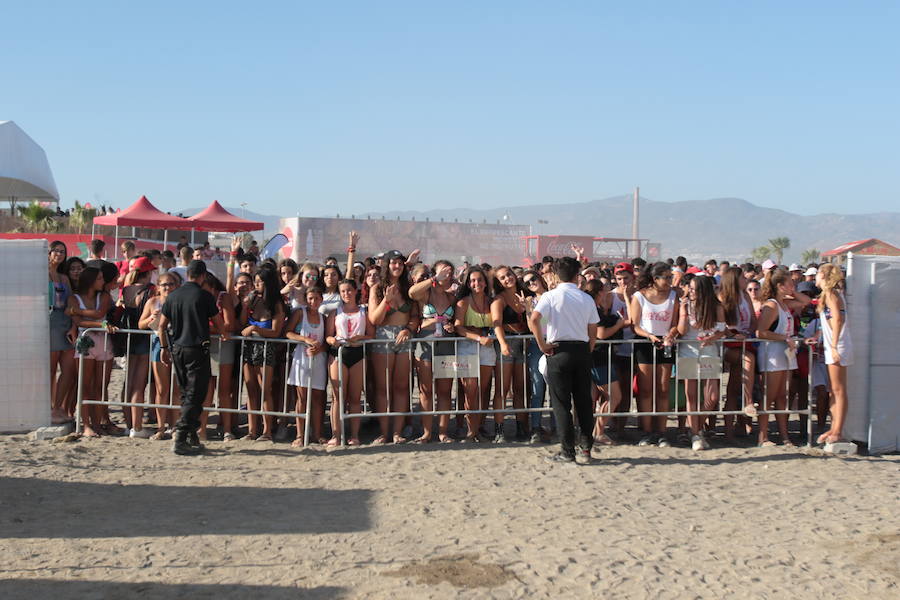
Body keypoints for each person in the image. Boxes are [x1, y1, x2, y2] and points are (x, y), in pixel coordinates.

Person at [529, 257, 598, 465]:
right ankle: (586, 449)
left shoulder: (550, 296)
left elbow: (534, 319)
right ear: (577, 275)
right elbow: (593, 327)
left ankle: (568, 450)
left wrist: (542, 344)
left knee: (561, 404)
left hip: (557, 350)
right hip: (581, 349)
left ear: (556, 276)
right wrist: (589, 347)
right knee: (584, 402)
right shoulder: (586, 298)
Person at [157, 260, 229, 455]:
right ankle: (181, 434)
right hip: (197, 349)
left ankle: (191, 434)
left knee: (185, 393)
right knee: (196, 394)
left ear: (187, 274)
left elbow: (161, 326)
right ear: (203, 276)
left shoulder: (173, 296)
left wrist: (164, 347)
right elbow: (217, 320)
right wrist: (224, 333)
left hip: (177, 348)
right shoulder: (204, 296)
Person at [368, 250, 419, 444]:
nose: (396, 266)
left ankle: (397, 432)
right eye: (393, 263)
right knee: (383, 388)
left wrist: (408, 329)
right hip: (383, 335)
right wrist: (386, 301)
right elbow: (374, 319)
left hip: (404, 337)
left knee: (401, 387)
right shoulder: (377, 288)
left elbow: (415, 316)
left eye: (399, 263)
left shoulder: (408, 287)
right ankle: (383, 432)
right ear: (386, 265)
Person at [755, 268, 811, 447]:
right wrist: (784, 338)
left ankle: (784, 436)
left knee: (782, 397)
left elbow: (806, 301)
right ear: (779, 286)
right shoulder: (771, 306)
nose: (793, 285)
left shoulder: (784, 303)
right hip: (772, 353)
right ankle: (763, 436)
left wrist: (791, 291)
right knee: (769, 396)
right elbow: (760, 331)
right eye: (789, 283)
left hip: (785, 353)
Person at [630, 262, 680, 447]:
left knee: (663, 388)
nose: (669, 281)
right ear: (654, 278)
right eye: (666, 277)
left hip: (665, 343)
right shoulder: (639, 296)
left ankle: (662, 431)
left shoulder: (674, 296)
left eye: (670, 277)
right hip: (645, 342)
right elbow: (634, 325)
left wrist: (671, 334)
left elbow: (675, 322)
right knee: (645, 390)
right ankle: (646, 430)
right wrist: (650, 336)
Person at [409, 260, 457, 443]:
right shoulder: (425, 295)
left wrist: (452, 326)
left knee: (445, 391)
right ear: (435, 275)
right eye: (444, 272)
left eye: (451, 272)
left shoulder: (451, 297)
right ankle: (427, 432)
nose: (448, 275)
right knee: (426, 390)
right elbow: (411, 292)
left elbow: (458, 320)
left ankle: (443, 432)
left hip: (446, 346)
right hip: (425, 346)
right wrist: (434, 279)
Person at [676, 275, 727, 451]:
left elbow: (722, 331)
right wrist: (683, 312)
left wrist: (711, 337)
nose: (690, 292)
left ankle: (696, 428)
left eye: (693, 289)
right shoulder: (686, 305)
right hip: (687, 350)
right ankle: (696, 433)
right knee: (691, 396)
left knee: (712, 397)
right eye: (689, 288)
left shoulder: (717, 307)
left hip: (709, 350)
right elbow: (681, 330)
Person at [325, 279, 373, 446]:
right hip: (338, 353)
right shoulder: (335, 312)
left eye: (349, 290)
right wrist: (332, 340)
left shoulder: (363, 311)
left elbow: (371, 334)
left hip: (358, 352)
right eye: (343, 291)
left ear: (355, 291)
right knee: (338, 397)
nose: (346, 294)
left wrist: (360, 337)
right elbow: (328, 335)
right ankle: (336, 435)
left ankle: (354, 435)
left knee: (354, 397)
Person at [454, 265, 496, 443]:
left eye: (479, 280)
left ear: (485, 282)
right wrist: (478, 337)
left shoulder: (492, 301)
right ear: (468, 283)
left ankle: (479, 426)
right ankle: (471, 431)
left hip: (488, 347)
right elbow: (458, 327)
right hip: (468, 346)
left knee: (484, 389)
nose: (476, 283)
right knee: (470, 390)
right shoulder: (463, 302)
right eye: (472, 280)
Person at [139, 271, 181, 439]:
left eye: (171, 284)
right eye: (164, 284)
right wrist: (151, 318)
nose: (167, 287)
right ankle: (161, 427)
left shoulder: (179, 301)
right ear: (158, 287)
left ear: (176, 286)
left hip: (177, 343)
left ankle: (174, 425)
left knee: (176, 389)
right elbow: (140, 324)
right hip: (158, 343)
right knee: (161, 388)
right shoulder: (152, 302)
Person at [286, 285, 329, 446]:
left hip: (318, 359)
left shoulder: (323, 318)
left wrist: (319, 349)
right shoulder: (299, 313)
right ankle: (300, 434)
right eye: (310, 298)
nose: (314, 301)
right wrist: (305, 339)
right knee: (302, 398)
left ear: (321, 299)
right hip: (301, 358)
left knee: (318, 398)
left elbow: (326, 342)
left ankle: (317, 433)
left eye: (317, 298)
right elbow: (288, 332)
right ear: (306, 299)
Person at [490, 265, 529, 442]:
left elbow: (539, 320)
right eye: (502, 278)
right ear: (498, 282)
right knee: (502, 389)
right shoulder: (499, 299)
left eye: (509, 275)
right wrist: (503, 343)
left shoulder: (524, 294)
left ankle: (521, 428)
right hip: (507, 344)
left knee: (520, 389)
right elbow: (496, 323)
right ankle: (499, 430)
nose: (507, 279)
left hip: (524, 343)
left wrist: (527, 307)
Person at [815, 264, 853, 444]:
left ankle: (838, 430)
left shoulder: (831, 293)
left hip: (838, 346)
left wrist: (835, 345)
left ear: (823, 275)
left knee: (838, 390)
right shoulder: (831, 294)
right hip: (834, 345)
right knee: (834, 390)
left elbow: (838, 319)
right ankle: (834, 428)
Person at [48, 241, 76, 424]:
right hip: (48, 321)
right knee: (50, 369)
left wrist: (73, 324)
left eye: (62, 251)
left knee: (68, 369)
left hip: (64, 322)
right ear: (49, 253)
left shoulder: (64, 278)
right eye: (56, 250)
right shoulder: (40, 274)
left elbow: (71, 302)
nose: (59, 254)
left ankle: (57, 406)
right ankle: (49, 408)